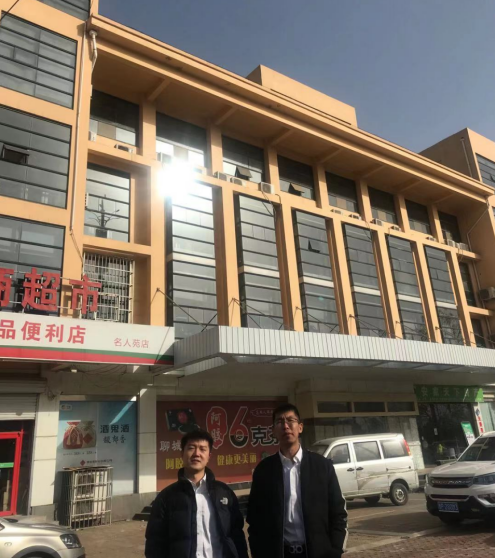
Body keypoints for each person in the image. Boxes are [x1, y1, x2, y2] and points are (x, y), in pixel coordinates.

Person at [247, 403, 348, 558]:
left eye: (290, 420)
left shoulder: (322, 466)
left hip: (317, 553)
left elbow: (338, 513)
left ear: (300, 427)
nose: (285, 426)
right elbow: (255, 518)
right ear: (273, 431)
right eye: (279, 422)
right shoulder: (264, 471)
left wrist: (335, 550)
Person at [145, 429, 249, 558]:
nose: (196, 454)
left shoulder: (224, 493)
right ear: (182, 453)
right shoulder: (166, 497)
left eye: (202, 449)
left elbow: (237, 536)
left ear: (209, 456)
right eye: (191, 448)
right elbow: (154, 543)